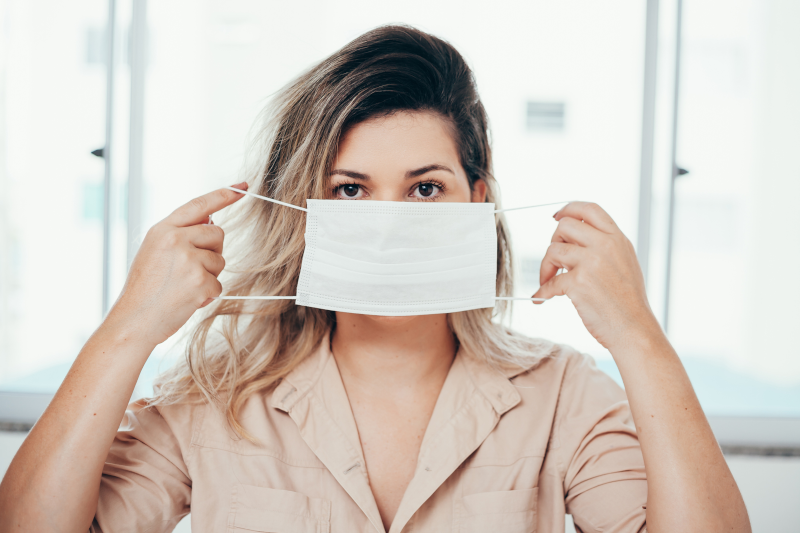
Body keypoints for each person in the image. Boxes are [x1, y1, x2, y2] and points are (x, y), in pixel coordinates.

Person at [0, 25, 750, 533]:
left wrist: (640, 340)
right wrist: (127, 327)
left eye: (425, 187)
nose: (388, 219)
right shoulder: (213, 395)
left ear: (475, 201)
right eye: (350, 190)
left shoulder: (565, 394)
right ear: (305, 207)